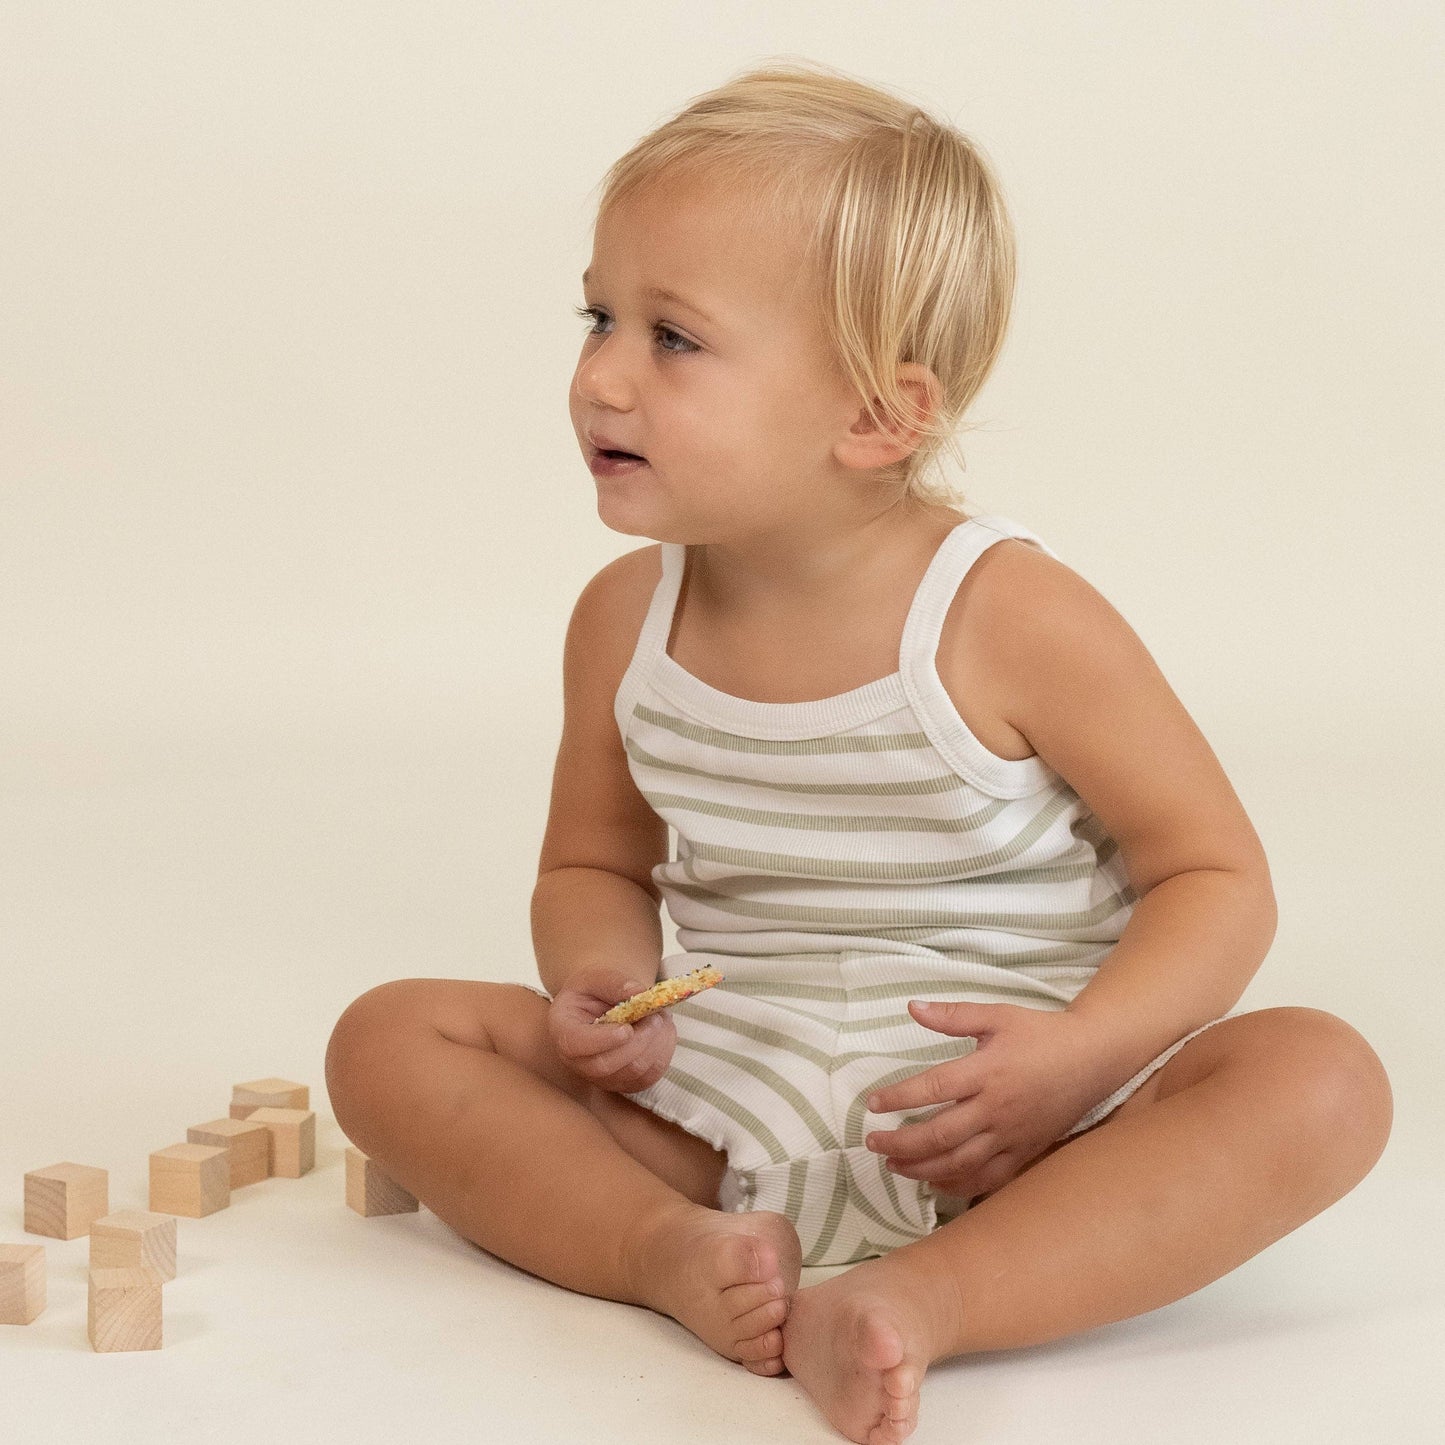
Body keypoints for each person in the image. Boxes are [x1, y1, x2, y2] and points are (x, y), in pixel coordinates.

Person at [324, 60, 1393, 1445]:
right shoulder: (621, 621)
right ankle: (669, 1250)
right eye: (600, 315)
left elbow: (1211, 873)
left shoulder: (1006, 613)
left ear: (876, 418)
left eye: (673, 339)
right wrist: (599, 979)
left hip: (1011, 1120)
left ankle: (924, 1297)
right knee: (387, 1040)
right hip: (723, 1099)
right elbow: (592, 857)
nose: (599, 374)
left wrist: (1079, 1058)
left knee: (1320, 1077)